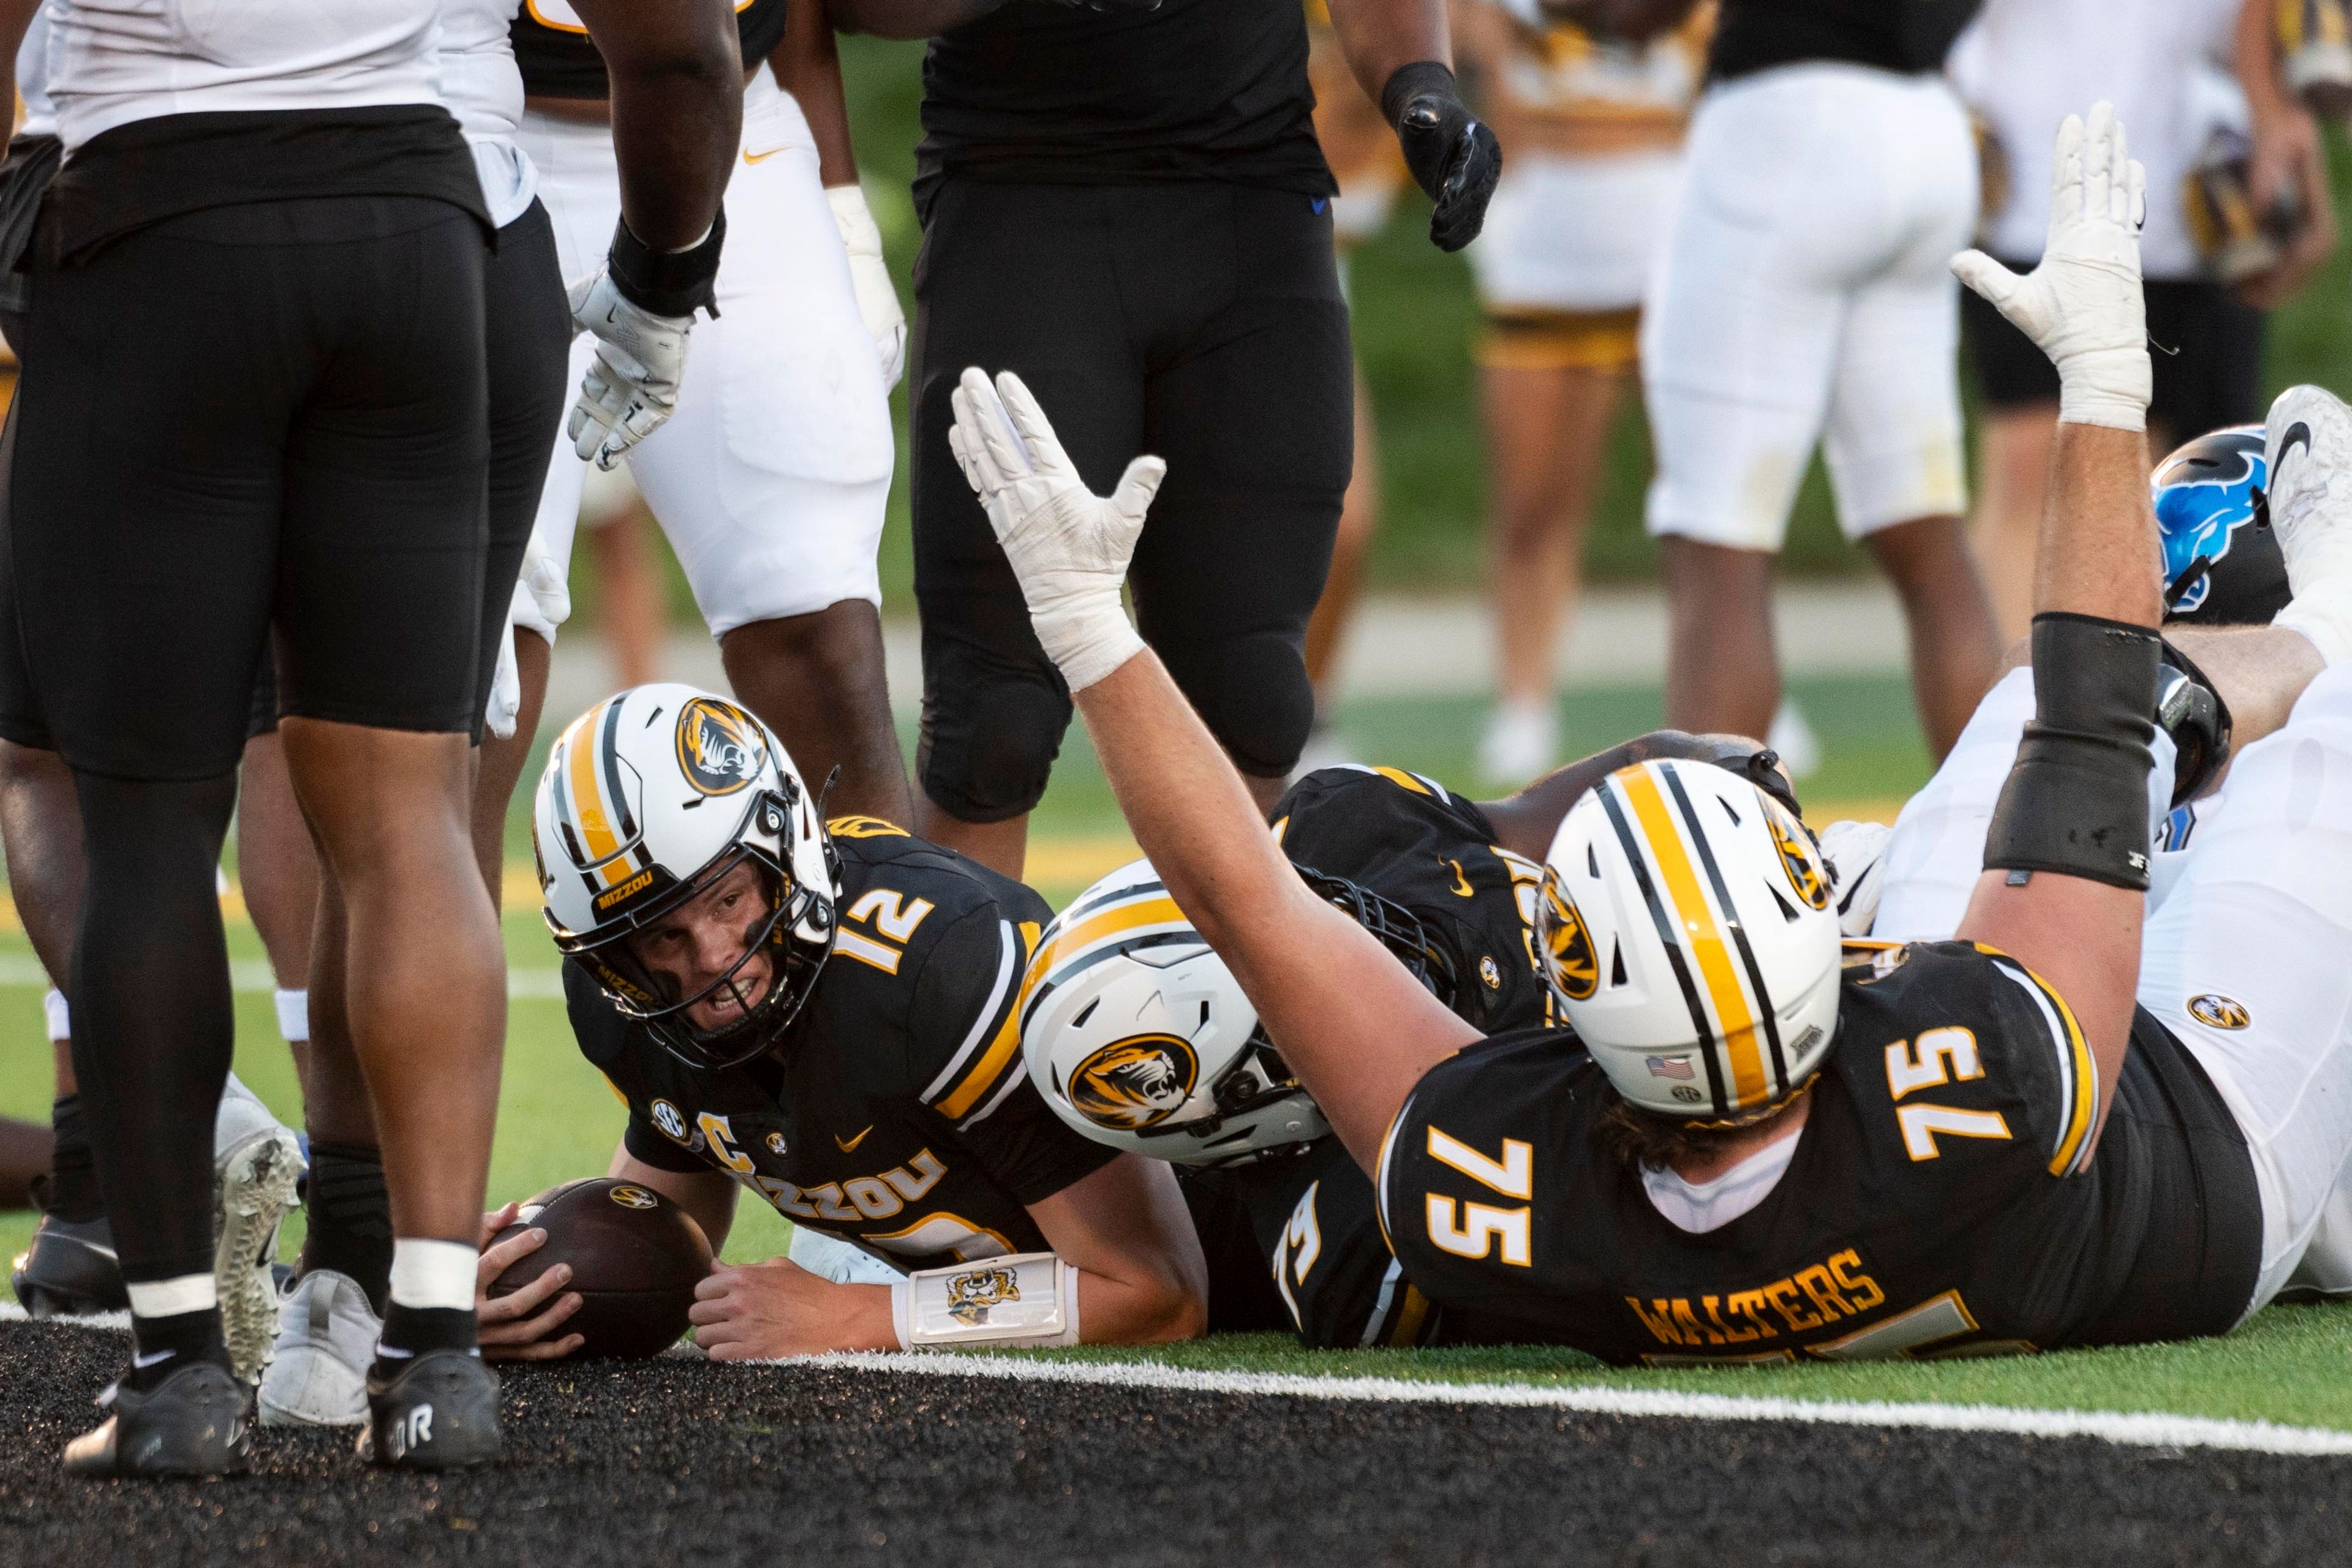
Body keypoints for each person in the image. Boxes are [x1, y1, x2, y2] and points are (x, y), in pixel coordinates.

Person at [944, 104, 2352, 1362]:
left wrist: (1088, 629)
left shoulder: (1509, 1183)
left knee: (2018, 727)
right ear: (1824, 930)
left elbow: (1243, 895)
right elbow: (2090, 704)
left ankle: (2276, 653)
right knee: (2305, 772)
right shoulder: (1980, 1054)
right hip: (2196, 1150)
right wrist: (2102, 386)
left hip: (1960, 1138)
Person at [0, 0, 739, 1478]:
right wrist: (666, 273)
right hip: (424, 214)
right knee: (407, 813)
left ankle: (175, 1370)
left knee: (143, 820)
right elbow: (679, 44)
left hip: (151, 210)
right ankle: (433, 1353)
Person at [249, 0, 751, 1443]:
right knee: (392, 767)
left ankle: (260, 1275)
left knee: (276, 754)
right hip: (447, 191)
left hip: (325, 209)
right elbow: (676, 44)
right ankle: (385, 1273)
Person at [829, 0, 1502, 881]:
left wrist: (1422, 89)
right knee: (993, 719)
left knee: (1251, 696)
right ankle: (959, 1007)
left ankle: (1253, 1014)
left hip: (1251, 210)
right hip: (1024, 205)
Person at [474, 684, 1205, 1360]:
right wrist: (519, 1279)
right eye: (664, 936)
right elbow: (663, 1227)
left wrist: (859, 1316)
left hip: (1250, 1256)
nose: (717, 960)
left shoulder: (936, 968)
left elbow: (1157, 1294)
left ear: (784, 849)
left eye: (728, 900)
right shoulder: (627, 1008)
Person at [1025, 733, 1793, 1347]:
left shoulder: (1341, 821)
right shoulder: (1343, 1246)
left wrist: (1726, 775)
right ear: (1240, 1113)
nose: (1323, 943)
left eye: (1296, 909)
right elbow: (1619, 1243)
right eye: (1277, 992)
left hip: (1769, 936)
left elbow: (1594, 789)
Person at [490, 0, 913, 839]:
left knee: (819, 628)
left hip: (731, 133)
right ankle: (337, 978)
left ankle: (877, 958)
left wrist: (837, 192)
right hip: (482, 127)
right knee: (470, 686)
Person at [1640, 0, 2000, 761]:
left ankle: (1707, 871)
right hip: (1930, 127)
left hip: (1784, 122)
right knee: (1929, 534)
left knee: (1719, 545)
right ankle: (1994, 850)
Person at [1951, 0, 2332, 641]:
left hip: (2200, 183)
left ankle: (2160, 726)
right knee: (2033, 476)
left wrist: (2279, 116)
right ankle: (2017, 724)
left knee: (2190, 494)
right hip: (2031, 168)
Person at [1456, 0, 1709, 783]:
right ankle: (1523, 705)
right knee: (1532, 503)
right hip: (1542, 263)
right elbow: (1450, 41)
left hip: (1670, 261)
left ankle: (1720, 694)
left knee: (1701, 498)